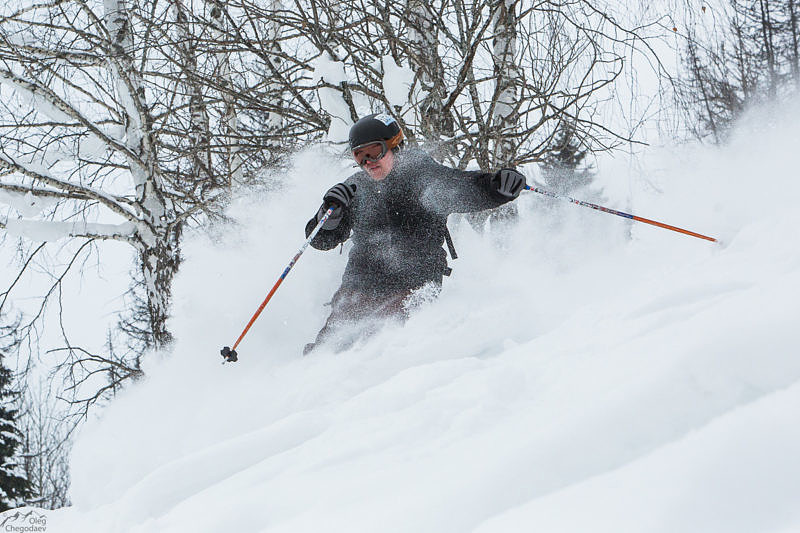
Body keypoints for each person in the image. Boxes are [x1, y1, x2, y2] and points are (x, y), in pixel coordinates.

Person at [303, 113, 526, 354]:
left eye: (374, 151)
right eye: (360, 155)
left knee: (382, 342)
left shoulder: (422, 177)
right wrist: (328, 215)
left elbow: (465, 188)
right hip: (360, 286)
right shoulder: (355, 189)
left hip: (413, 284)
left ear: (394, 145)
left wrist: (497, 188)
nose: (368, 162)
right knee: (329, 348)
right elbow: (321, 240)